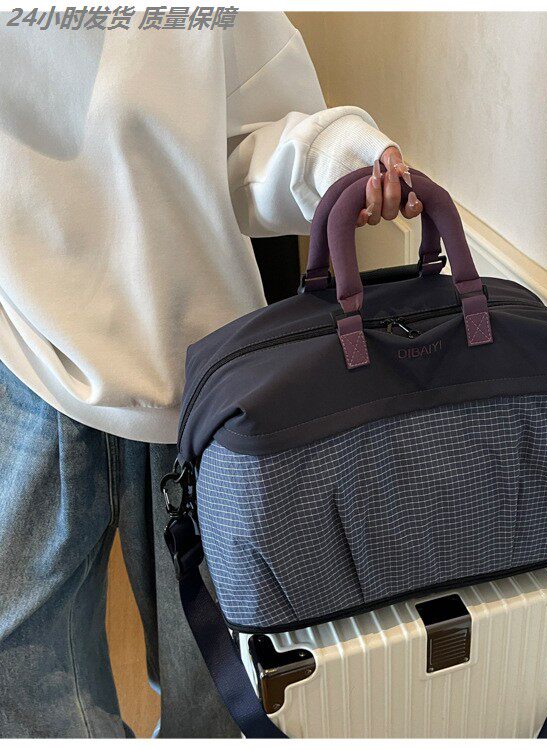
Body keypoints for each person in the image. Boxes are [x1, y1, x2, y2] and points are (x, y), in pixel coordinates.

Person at [0, 11, 422, 738]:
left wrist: (338, 156)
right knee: (17, 664)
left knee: (218, 684)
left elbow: (247, 138)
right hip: (25, 347)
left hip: (197, 368)